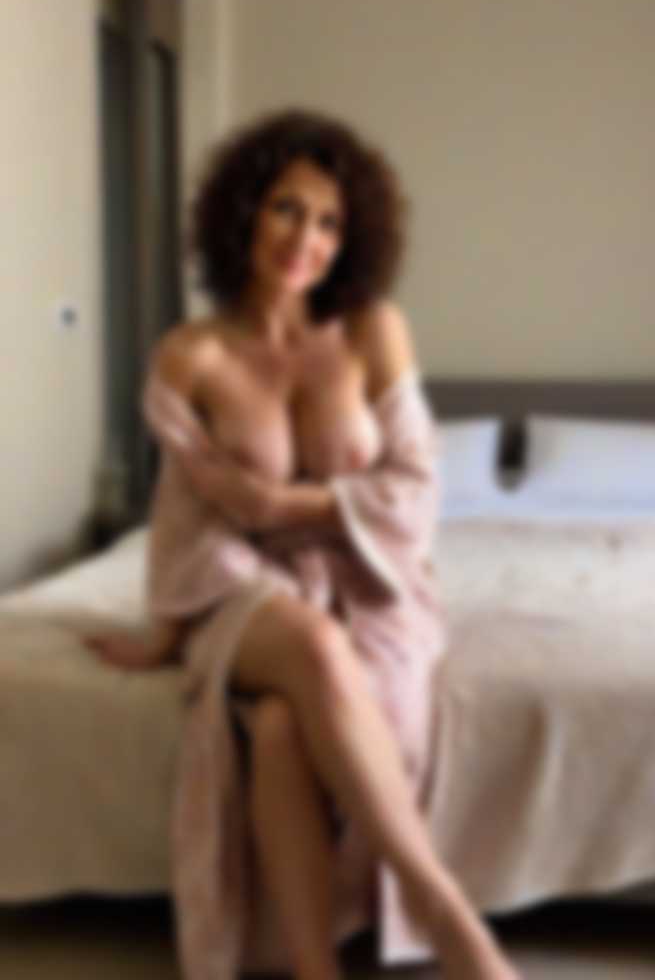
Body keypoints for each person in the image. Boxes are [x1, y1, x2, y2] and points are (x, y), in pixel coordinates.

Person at [85, 108, 522, 980]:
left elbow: (415, 488)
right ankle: (446, 914)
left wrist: (289, 501)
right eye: (286, 208)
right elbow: (185, 519)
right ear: (243, 210)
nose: (305, 240)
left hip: (367, 577)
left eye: (329, 222)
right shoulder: (191, 356)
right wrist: (165, 636)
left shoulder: (371, 330)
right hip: (235, 587)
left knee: (284, 728)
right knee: (315, 647)